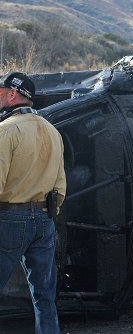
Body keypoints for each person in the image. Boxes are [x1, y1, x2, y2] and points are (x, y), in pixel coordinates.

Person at [0, 72, 66, 334]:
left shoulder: (5, 132)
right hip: (44, 219)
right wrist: (48, 212)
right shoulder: (52, 131)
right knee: (44, 296)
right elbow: (60, 185)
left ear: (12, 94)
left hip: (10, 220)